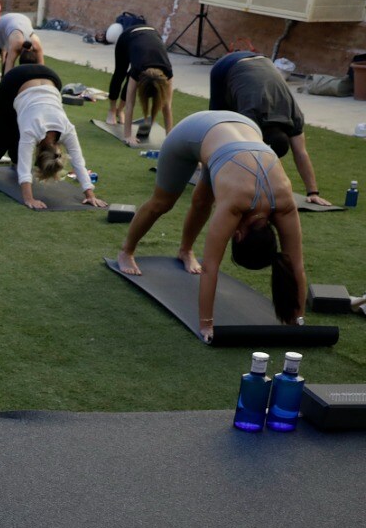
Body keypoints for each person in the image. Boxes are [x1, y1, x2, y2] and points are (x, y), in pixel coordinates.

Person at [116, 111, 306, 341]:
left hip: (242, 130)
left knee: (202, 201)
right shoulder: (236, 203)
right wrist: (206, 325)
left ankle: (185, 250)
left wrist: (298, 320)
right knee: (162, 202)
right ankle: (126, 251)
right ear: (237, 235)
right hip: (193, 132)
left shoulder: (285, 204)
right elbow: (210, 268)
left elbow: (295, 265)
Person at [0, 64, 103, 211]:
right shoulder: (33, 131)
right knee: (0, 126)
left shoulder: (67, 130)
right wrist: (29, 199)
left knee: (19, 130)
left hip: (50, 76)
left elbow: (78, 162)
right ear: (37, 156)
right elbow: (26, 169)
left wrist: (90, 195)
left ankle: (13, 160)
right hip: (15, 80)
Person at [209, 52, 329, 204]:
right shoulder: (250, 118)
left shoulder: (294, 118)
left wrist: (313, 192)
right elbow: (241, 153)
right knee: (218, 125)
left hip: (262, 61)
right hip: (225, 66)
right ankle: (206, 170)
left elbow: (301, 153)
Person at [106, 22, 175, 145]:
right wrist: (128, 136)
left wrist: (169, 137)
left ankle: (119, 110)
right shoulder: (138, 69)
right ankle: (112, 110)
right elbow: (130, 104)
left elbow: (167, 106)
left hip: (152, 32)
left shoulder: (167, 72)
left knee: (129, 82)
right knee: (120, 73)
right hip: (128, 37)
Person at [0, 11, 42, 75]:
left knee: (9, 55)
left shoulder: (37, 45)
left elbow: (42, 70)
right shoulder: (16, 45)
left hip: (19, 21)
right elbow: (8, 72)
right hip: (2, 25)